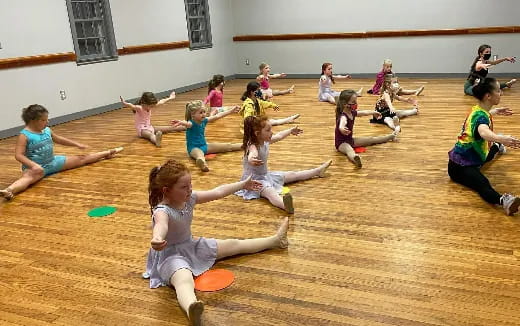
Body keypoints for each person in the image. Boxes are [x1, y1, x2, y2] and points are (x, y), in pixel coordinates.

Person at [144, 159, 289, 325]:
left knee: (233, 245)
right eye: (184, 187)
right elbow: (160, 226)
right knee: (184, 279)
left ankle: (275, 240)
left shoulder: (189, 199)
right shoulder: (162, 210)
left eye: (190, 184)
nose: (190, 189)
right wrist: (157, 238)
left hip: (191, 246)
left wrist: (242, 185)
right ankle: (192, 308)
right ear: (167, 191)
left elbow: (218, 191)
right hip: (170, 257)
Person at [0, 104, 123, 200]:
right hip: (35, 168)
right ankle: (9, 190)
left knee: (82, 158)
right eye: (44, 120)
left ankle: (106, 153)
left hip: (53, 162)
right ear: (34, 121)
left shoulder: (46, 130)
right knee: (26, 179)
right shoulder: (24, 135)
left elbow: (59, 139)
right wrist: (34, 166)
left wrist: (76, 144)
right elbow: (18, 155)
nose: (47, 122)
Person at [448, 77, 520, 215]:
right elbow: (483, 131)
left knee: (488, 154)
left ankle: (497, 146)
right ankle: (504, 201)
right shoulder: (480, 117)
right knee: (482, 184)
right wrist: (501, 138)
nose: (501, 93)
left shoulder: (477, 110)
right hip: (460, 167)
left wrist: (495, 112)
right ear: (488, 96)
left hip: (473, 157)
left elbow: (482, 119)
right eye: (499, 91)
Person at [236, 115, 332, 213]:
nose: (271, 132)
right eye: (268, 130)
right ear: (257, 134)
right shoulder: (252, 145)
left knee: (293, 174)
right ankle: (285, 205)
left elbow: (279, 136)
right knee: (270, 193)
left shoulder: (264, 141)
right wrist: (251, 159)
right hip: (253, 181)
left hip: (265, 176)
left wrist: (290, 131)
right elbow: (252, 153)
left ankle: (317, 171)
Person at [171, 100, 241, 172]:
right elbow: (187, 124)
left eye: (204, 112)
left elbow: (217, 116)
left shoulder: (204, 120)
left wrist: (230, 111)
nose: (203, 114)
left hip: (204, 146)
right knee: (200, 155)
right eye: (201, 113)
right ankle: (203, 164)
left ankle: (244, 145)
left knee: (227, 146)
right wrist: (181, 122)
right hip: (193, 149)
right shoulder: (191, 123)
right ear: (193, 115)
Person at [335, 90, 398, 168]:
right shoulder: (343, 116)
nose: (356, 104)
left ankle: (391, 136)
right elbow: (342, 123)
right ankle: (355, 158)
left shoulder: (352, 113)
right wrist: (341, 128)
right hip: (341, 143)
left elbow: (364, 112)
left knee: (371, 139)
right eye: (354, 102)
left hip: (350, 139)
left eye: (356, 101)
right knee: (349, 150)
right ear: (345, 104)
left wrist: (374, 112)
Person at [120, 91, 185, 147]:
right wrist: (124, 103)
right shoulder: (139, 108)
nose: (152, 108)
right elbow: (131, 106)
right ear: (144, 103)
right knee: (151, 135)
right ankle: (157, 141)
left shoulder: (149, 106)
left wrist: (170, 97)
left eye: (152, 106)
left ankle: (185, 126)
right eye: (150, 106)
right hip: (142, 130)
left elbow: (162, 102)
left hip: (149, 127)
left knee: (169, 128)